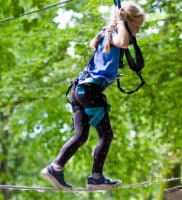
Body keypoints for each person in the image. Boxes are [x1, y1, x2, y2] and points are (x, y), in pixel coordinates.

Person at [41, 2, 145, 190]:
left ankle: (55, 167)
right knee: (106, 135)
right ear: (128, 21)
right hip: (89, 91)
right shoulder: (116, 35)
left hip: (79, 91)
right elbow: (123, 42)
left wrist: (119, 22)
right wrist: (121, 22)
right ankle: (96, 178)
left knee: (81, 135)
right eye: (137, 27)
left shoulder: (106, 33)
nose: (137, 32)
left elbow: (97, 43)